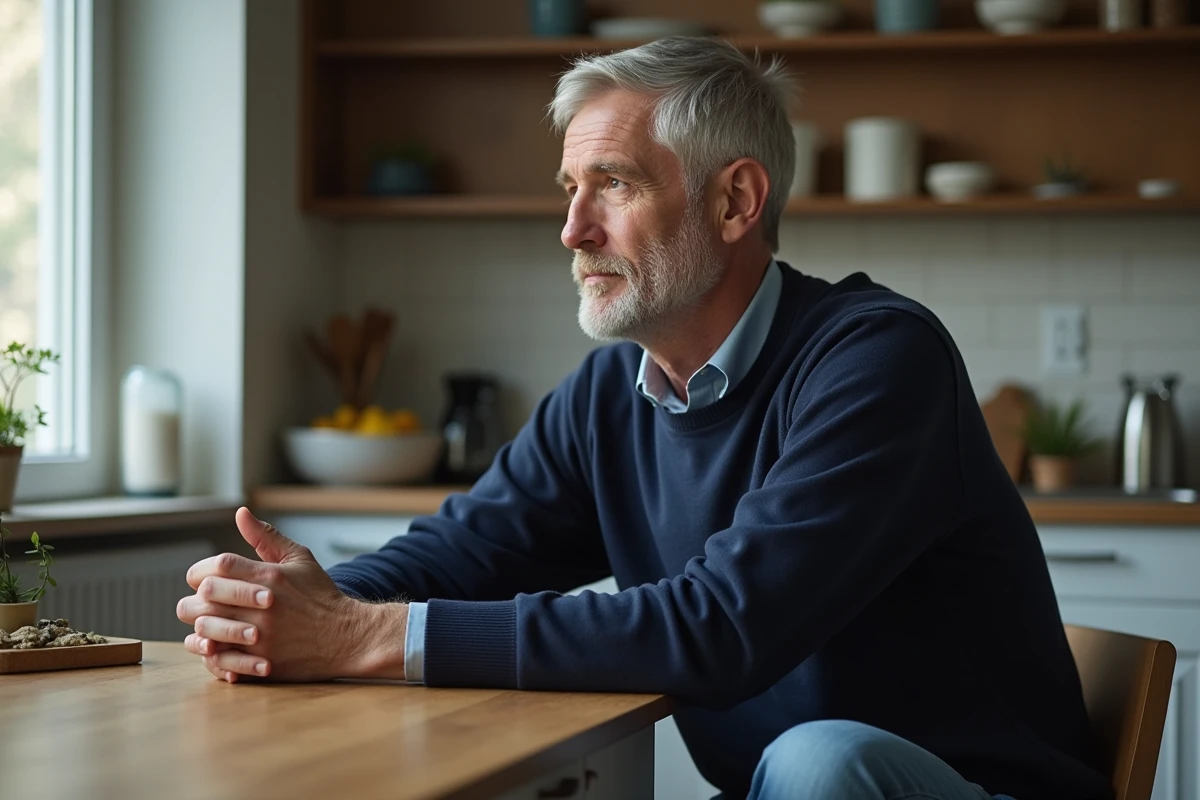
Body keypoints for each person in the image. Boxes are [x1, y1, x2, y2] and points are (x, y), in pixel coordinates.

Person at [176, 37, 1111, 800]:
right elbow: (462, 554)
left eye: (613, 184)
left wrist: (361, 637)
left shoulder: (876, 361)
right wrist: (292, 605)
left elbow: (719, 628)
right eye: (569, 189)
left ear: (734, 200)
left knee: (818, 760)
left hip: (971, 790)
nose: (572, 229)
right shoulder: (608, 395)